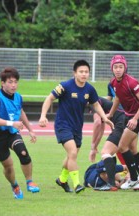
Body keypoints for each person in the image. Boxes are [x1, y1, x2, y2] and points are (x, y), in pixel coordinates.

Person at [39, 60, 114, 194]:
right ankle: (77, 184)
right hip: (63, 125)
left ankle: (62, 179)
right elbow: (49, 98)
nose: (84, 74)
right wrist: (43, 116)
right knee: (73, 153)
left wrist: (105, 118)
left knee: (71, 156)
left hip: (77, 127)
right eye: (81, 72)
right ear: (75, 73)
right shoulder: (65, 86)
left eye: (86, 72)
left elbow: (96, 104)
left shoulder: (89, 89)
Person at [0, 67, 40, 200]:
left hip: (11, 132)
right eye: (10, 82)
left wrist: (31, 130)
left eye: (15, 82)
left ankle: (29, 182)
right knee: (8, 166)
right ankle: (14, 185)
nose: (13, 85)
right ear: (2, 83)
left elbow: (21, 112)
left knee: (24, 154)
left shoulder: (18, 97)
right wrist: (12, 123)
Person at [108, 54, 139, 190]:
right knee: (132, 148)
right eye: (115, 67)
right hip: (128, 116)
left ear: (125, 68)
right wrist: (111, 113)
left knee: (122, 146)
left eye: (121, 67)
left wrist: (135, 119)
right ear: (112, 68)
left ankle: (133, 178)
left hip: (138, 117)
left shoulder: (131, 82)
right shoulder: (114, 82)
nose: (118, 69)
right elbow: (118, 98)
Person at [88, 97, 127, 191]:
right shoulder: (99, 102)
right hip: (126, 120)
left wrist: (93, 147)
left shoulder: (94, 103)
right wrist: (95, 146)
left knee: (106, 153)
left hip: (120, 123)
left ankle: (111, 183)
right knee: (121, 150)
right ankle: (134, 178)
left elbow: (97, 123)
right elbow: (101, 128)